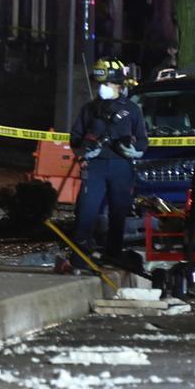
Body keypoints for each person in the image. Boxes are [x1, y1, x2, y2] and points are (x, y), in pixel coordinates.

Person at [69, 56, 149, 265]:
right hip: (95, 167)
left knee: (118, 213)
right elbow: (75, 137)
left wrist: (135, 151)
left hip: (121, 167)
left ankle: (113, 254)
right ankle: (80, 257)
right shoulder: (89, 109)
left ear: (118, 85)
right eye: (101, 84)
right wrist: (84, 152)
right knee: (86, 211)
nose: (103, 88)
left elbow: (142, 140)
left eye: (107, 84)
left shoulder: (131, 110)